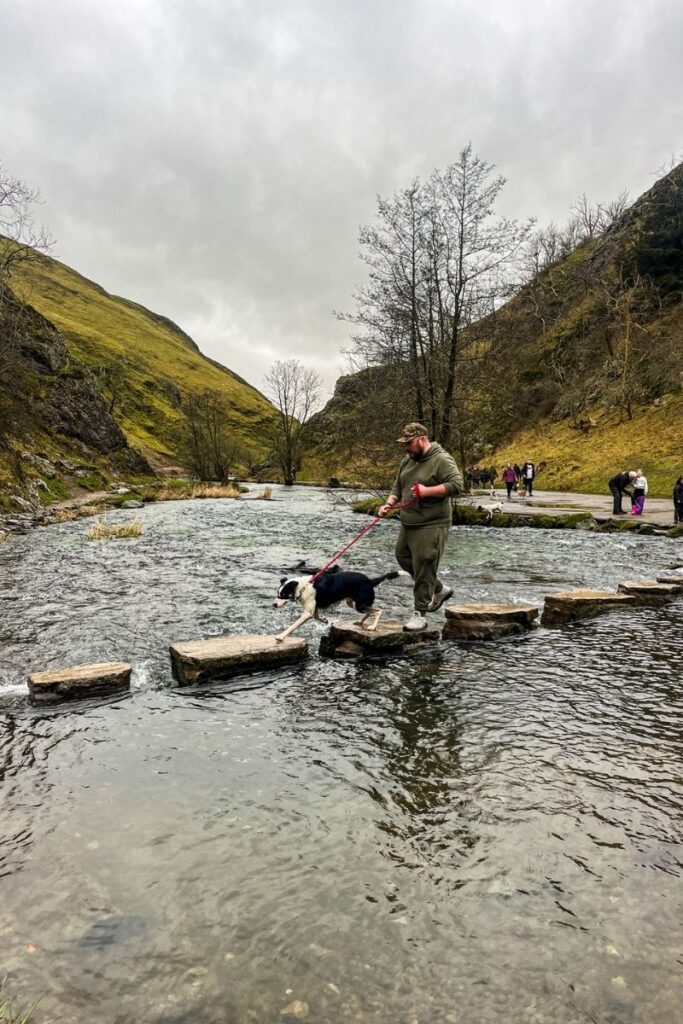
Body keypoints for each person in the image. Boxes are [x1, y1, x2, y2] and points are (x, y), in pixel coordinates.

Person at [378, 422, 464, 631]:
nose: (406, 447)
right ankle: (440, 589)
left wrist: (427, 491)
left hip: (432, 523)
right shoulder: (407, 460)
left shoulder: (441, 459)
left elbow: (457, 485)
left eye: (409, 443)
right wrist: (389, 503)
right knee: (403, 558)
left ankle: (420, 614)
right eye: (404, 443)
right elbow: (398, 485)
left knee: (424, 564)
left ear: (422, 439)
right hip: (409, 521)